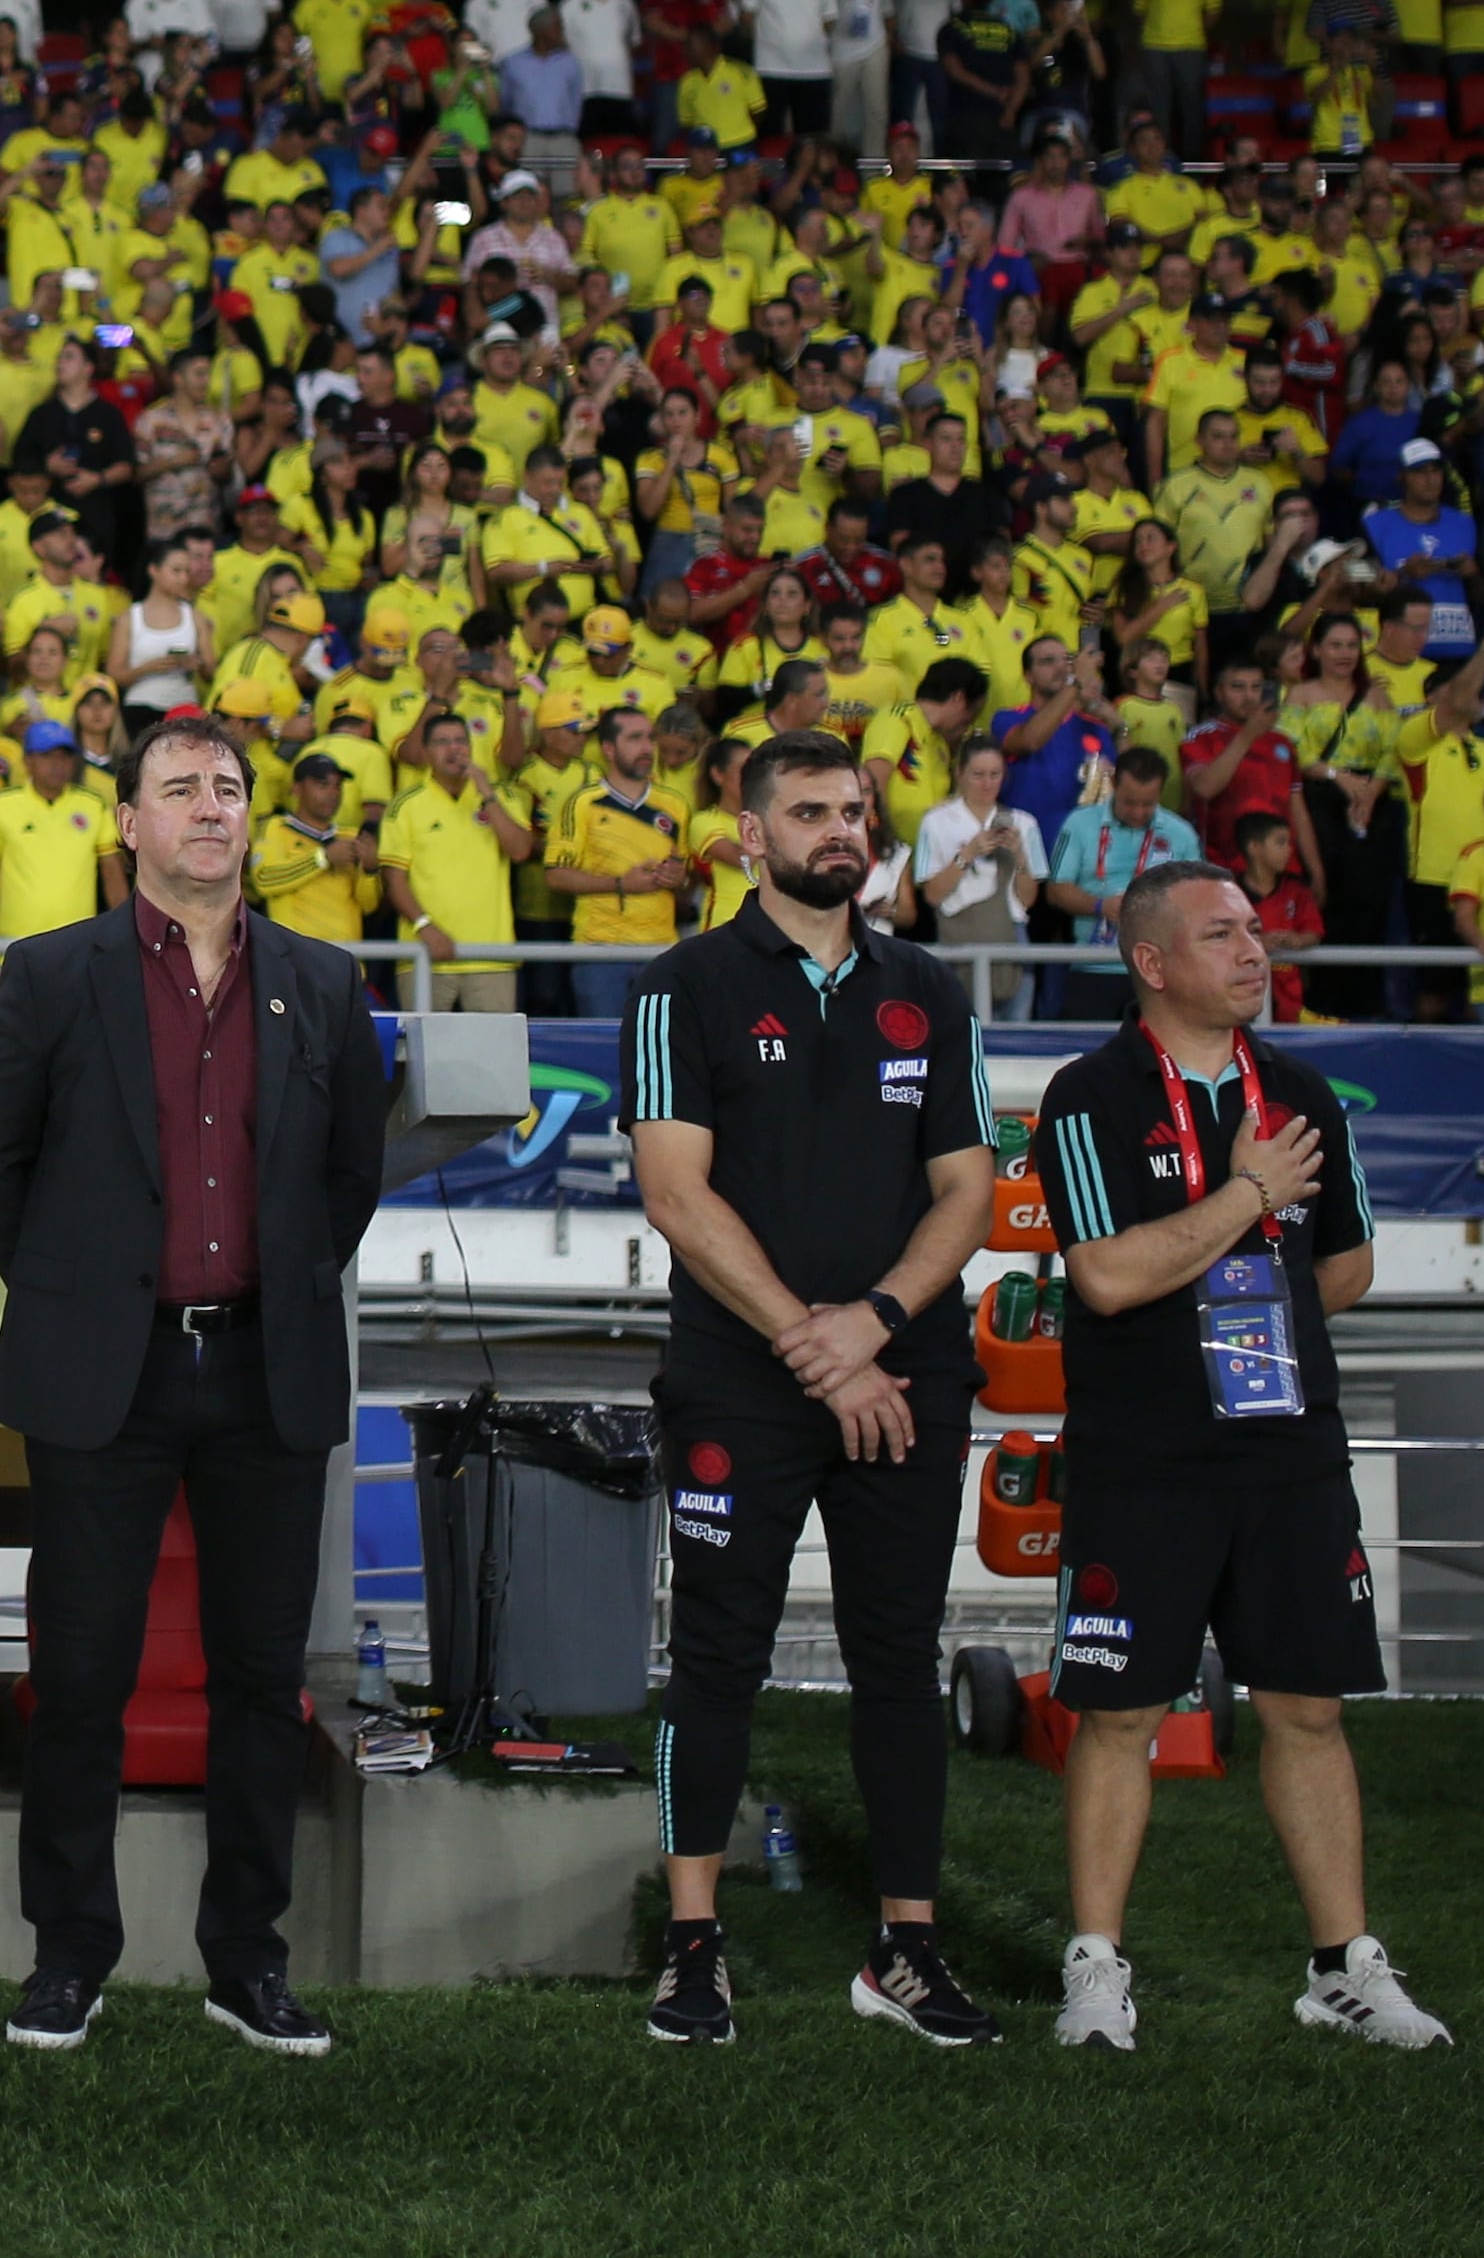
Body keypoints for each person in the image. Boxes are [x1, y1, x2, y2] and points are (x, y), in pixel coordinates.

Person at [0, 714, 387, 2058]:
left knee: (262, 1680)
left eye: (228, 787)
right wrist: (88, 1295)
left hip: (267, 1365)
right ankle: (68, 1954)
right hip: (108, 1374)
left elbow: (347, 1178)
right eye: (180, 787)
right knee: (81, 1673)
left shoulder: (323, 979)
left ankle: (244, 1959)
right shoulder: (48, 972)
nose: (209, 805)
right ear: (128, 826)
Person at [1029, 860, 1451, 2056]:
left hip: (1287, 1456)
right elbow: (1105, 1273)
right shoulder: (1089, 1092)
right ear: (1150, 962)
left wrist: (1241, 1294)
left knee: (1306, 1706)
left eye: (1255, 931)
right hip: (1142, 1459)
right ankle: (1097, 1966)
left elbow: (1346, 1265)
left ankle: (1341, 1966)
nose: (1253, 950)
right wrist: (1243, 1197)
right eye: (1220, 934)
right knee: (1117, 1713)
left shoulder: (1303, 1085)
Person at [621, 726, 1001, 2049]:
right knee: (717, 1660)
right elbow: (676, 1193)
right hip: (743, 1382)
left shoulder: (931, 991)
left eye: (855, 808)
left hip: (907, 1372)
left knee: (898, 1657)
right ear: (749, 835)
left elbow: (972, 1187)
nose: (841, 828)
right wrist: (812, 1340)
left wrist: (881, 1321)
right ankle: (692, 1951)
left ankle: (903, 1951)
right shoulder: (683, 988)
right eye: (810, 810)